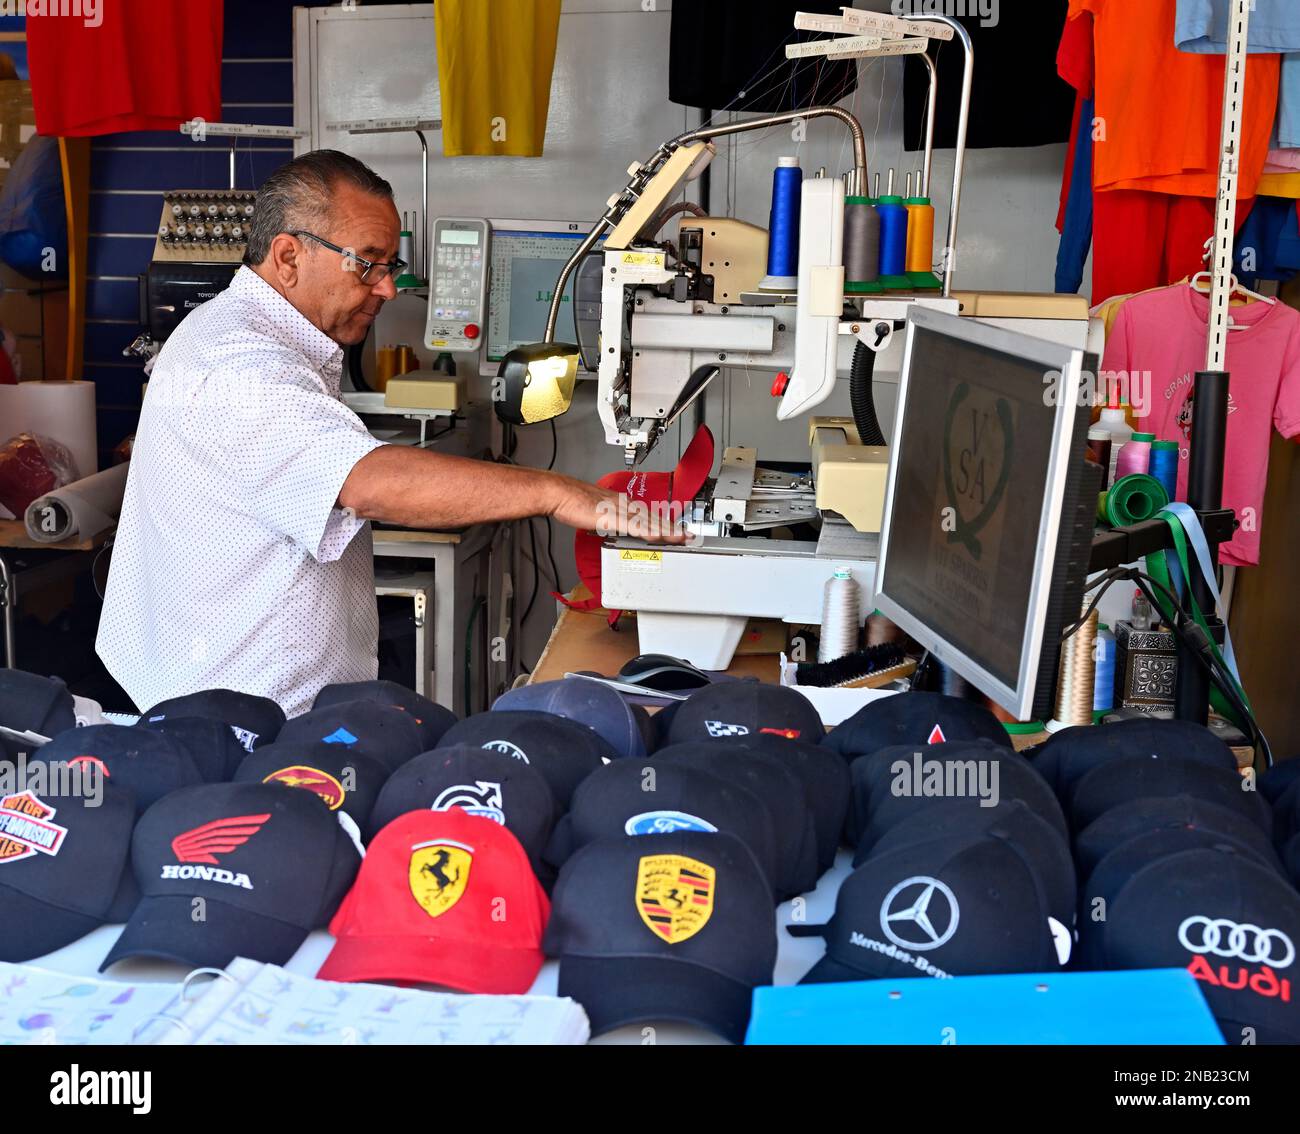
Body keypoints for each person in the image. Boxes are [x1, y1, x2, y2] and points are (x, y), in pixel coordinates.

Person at [97, 150, 680, 716]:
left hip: (255, 696)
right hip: (236, 716)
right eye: (367, 263)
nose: (387, 288)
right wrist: (560, 493)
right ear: (288, 256)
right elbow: (368, 482)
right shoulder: (240, 362)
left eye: (389, 265)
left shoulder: (252, 333)